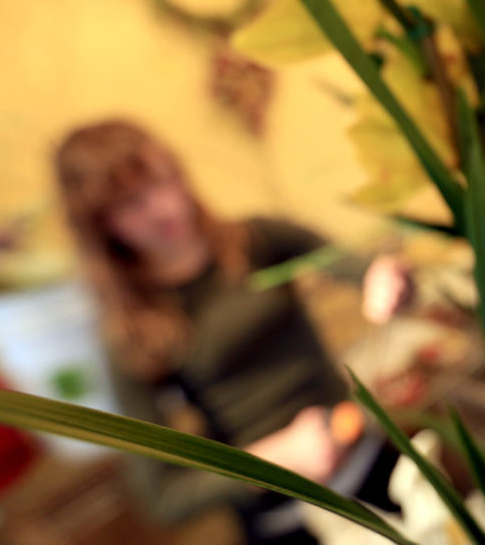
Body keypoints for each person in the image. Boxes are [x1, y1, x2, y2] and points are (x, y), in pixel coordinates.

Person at [53, 119, 397, 545]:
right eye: (131, 204)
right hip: (287, 515)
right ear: (101, 227)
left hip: (368, 456)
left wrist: (385, 280)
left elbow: (353, 266)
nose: (162, 208)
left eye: (164, 180)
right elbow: (163, 497)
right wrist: (277, 458)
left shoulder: (257, 240)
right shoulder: (130, 333)